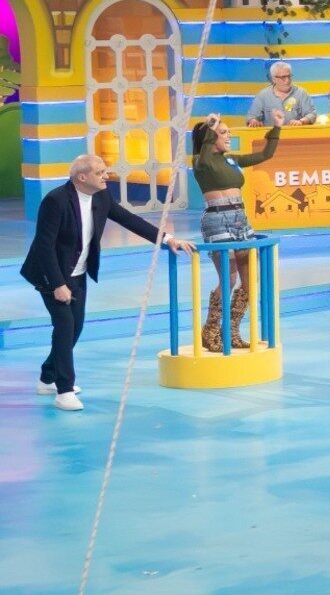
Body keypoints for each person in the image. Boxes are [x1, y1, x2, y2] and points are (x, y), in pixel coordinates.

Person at [19, 153, 193, 410]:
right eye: (100, 172)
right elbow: (44, 246)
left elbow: (130, 220)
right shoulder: (56, 200)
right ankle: (64, 390)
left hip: (78, 272)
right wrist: (57, 284)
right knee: (65, 326)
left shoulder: (101, 196)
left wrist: (168, 239)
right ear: (82, 177)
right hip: (50, 273)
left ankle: (47, 377)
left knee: (75, 327)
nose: (106, 175)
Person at [190, 116, 282, 352]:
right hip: (217, 221)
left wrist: (277, 127)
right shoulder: (201, 162)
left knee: (250, 280)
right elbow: (205, 152)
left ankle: (230, 331)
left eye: (228, 131)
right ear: (210, 137)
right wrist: (211, 126)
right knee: (229, 279)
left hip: (241, 220)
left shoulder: (230, 160)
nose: (229, 135)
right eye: (223, 132)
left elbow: (266, 154)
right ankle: (209, 331)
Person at [246, 60, 316, 126]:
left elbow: (312, 114)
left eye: (289, 76)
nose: (287, 80)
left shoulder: (301, 93)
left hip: (295, 133)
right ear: (274, 79)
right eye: (283, 77)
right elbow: (252, 116)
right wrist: (253, 121)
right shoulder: (263, 95)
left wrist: (301, 121)